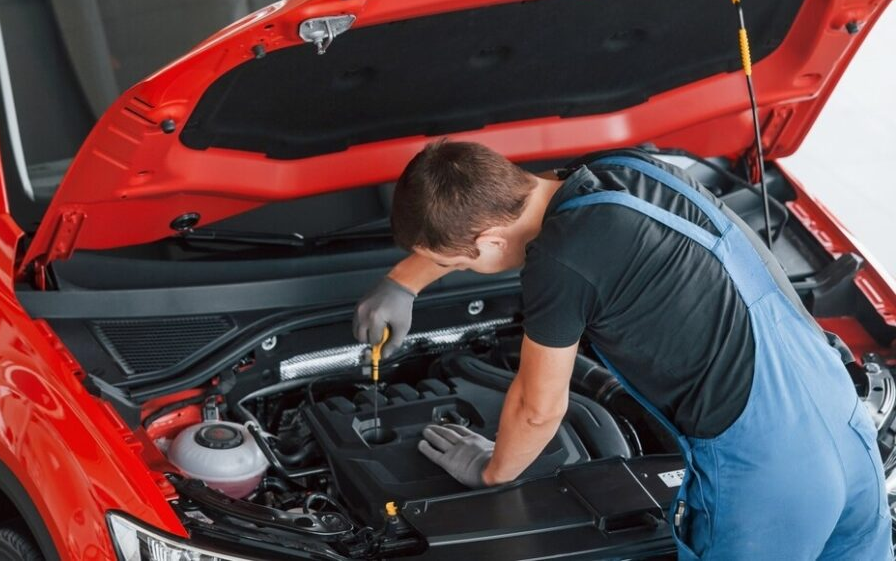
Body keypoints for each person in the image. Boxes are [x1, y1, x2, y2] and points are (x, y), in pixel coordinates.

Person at [352, 140, 892, 560]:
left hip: (771, 473)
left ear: (489, 241)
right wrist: (404, 281)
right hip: (844, 420)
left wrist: (491, 469)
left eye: (461, 264)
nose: (464, 270)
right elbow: (477, 223)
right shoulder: (623, 168)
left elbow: (539, 411)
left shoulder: (559, 263)